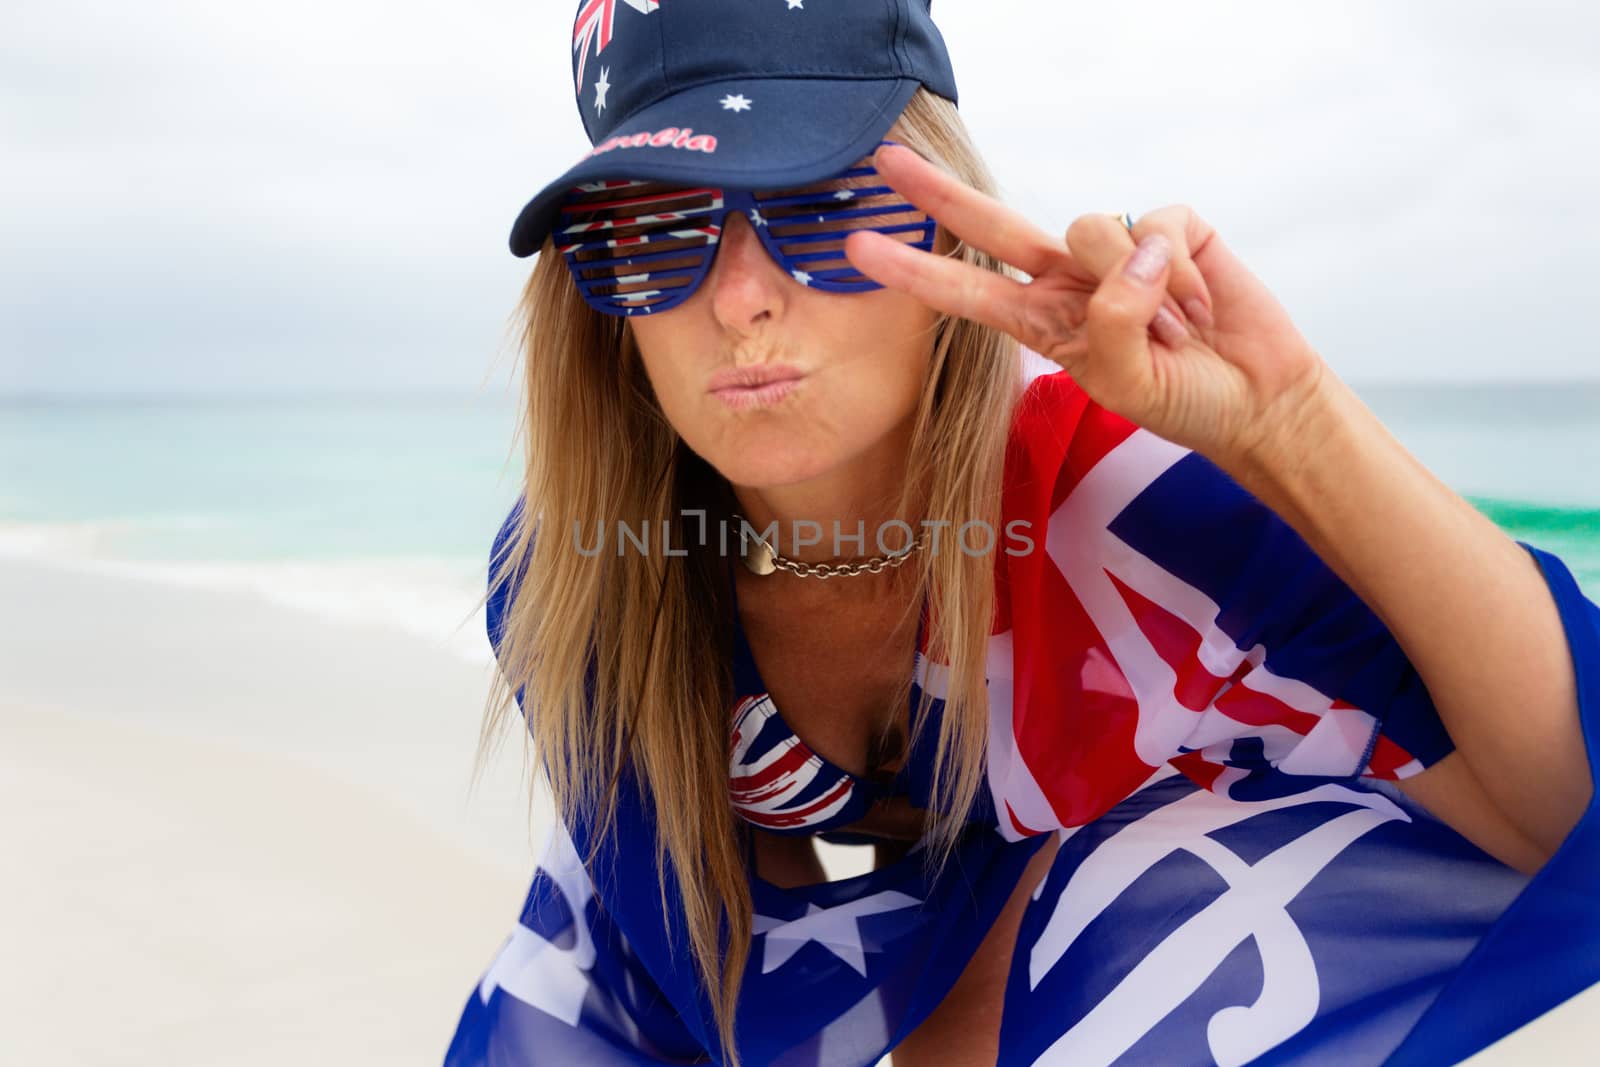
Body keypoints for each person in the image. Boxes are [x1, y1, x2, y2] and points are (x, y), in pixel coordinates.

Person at [444, 2, 1600, 1064]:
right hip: (744, 930)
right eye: (652, 229)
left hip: (1102, 862)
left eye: (819, 204)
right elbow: (722, 973)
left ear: (947, 227)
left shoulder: (1129, 510)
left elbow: (1559, 809)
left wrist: (1287, 426)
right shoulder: (576, 580)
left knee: (1129, 940)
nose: (739, 298)